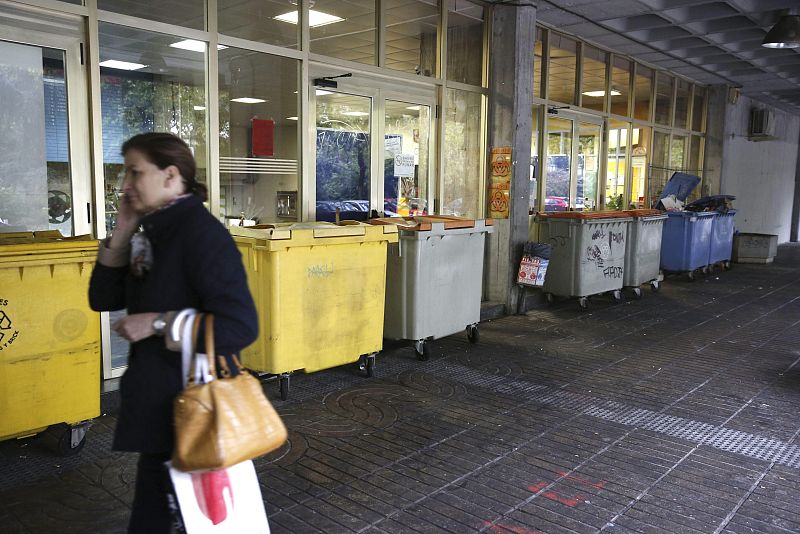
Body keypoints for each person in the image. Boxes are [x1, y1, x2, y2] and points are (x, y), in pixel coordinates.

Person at [89, 132, 258, 533]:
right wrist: (123, 229)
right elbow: (103, 296)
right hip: (163, 403)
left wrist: (158, 322)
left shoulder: (201, 234)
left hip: (192, 406)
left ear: (170, 176)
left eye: (134, 172)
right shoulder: (151, 231)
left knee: (166, 518)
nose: (125, 184)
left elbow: (240, 325)